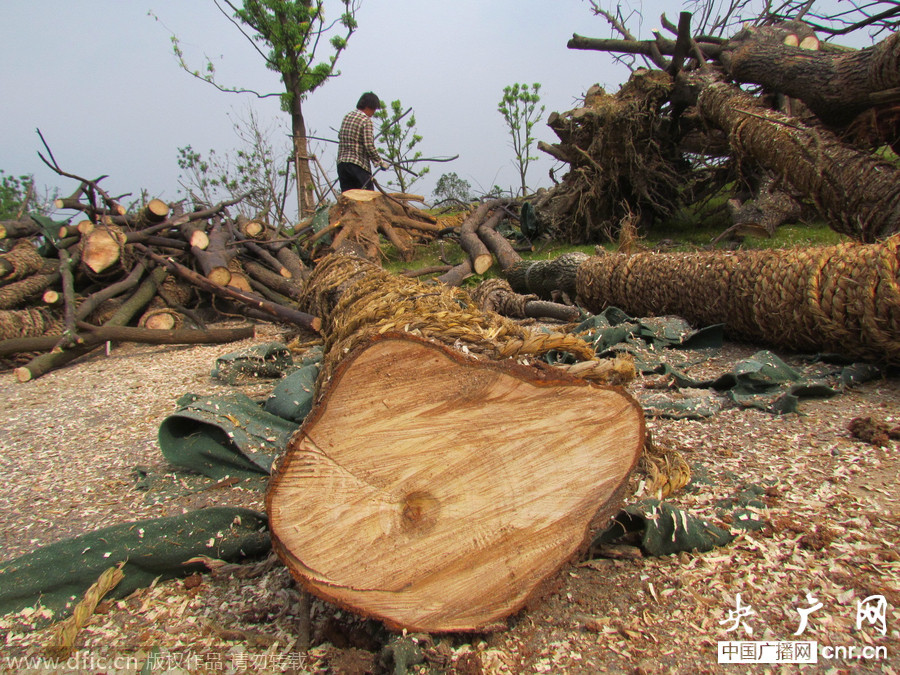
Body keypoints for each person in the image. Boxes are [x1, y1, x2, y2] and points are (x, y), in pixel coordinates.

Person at [337, 92, 389, 192]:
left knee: (348, 197)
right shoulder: (366, 120)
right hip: (358, 166)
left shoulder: (347, 116)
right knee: (367, 196)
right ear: (369, 107)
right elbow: (369, 145)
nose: (373, 113)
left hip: (342, 165)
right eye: (374, 109)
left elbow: (340, 136)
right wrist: (380, 162)